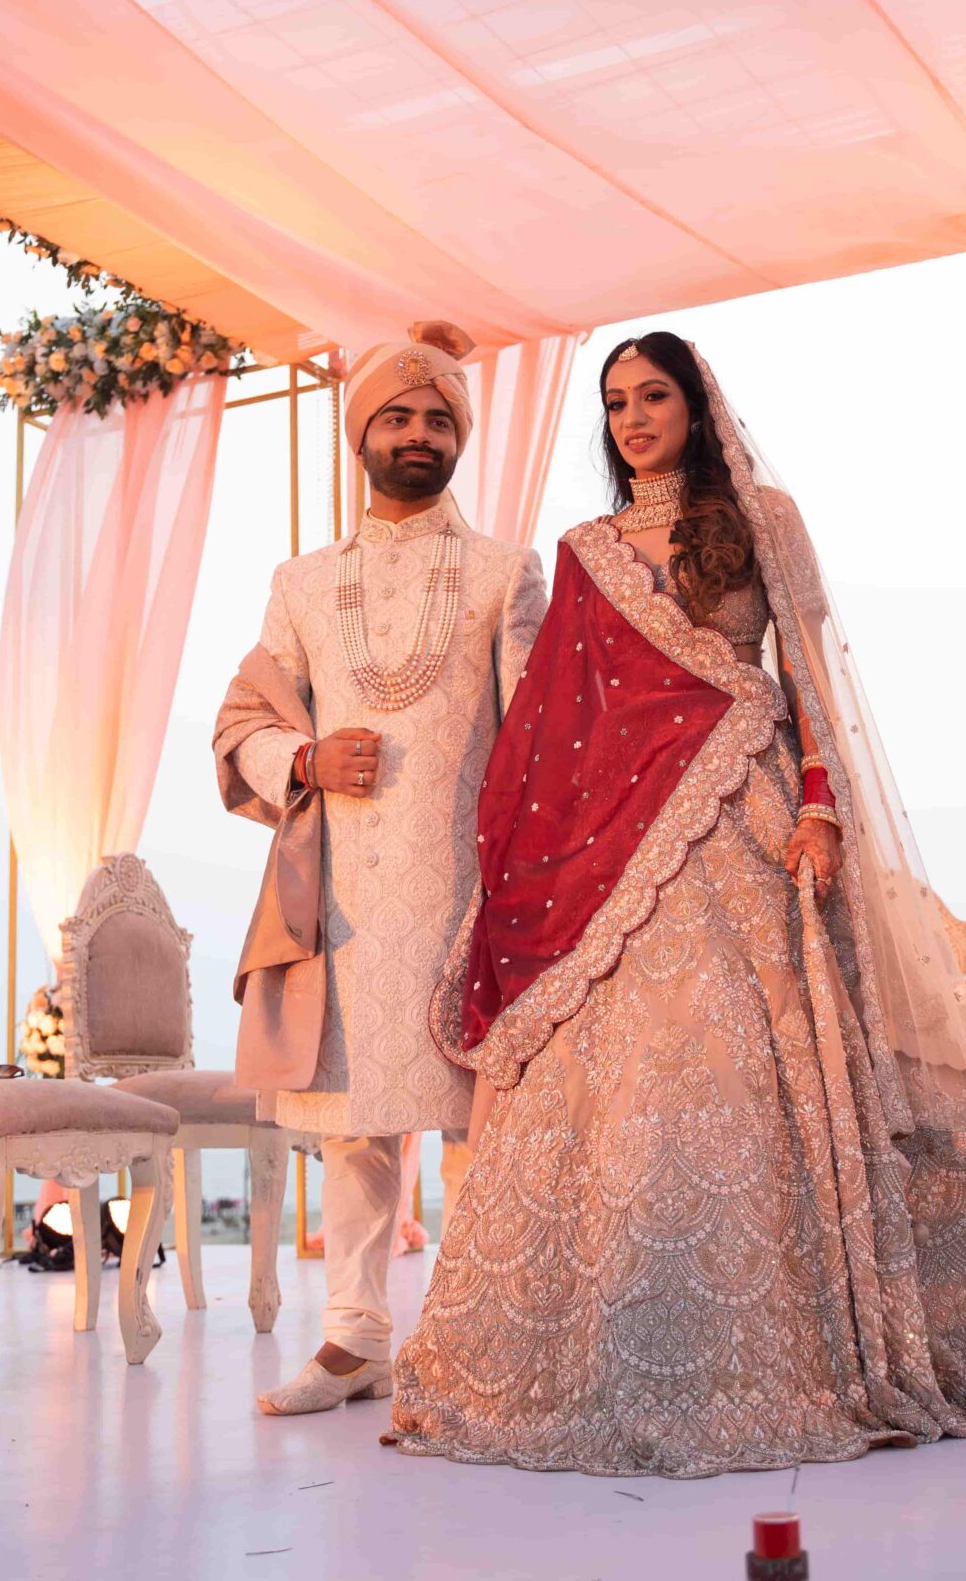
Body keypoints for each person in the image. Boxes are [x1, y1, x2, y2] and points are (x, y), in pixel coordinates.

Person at [388, 334, 966, 1477]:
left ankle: (813, 1350)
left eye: (654, 397)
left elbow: (809, 677)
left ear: (697, 405)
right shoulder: (583, 552)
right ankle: (612, 1355)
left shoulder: (762, 519)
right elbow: (552, 720)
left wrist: (819, 803)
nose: (633, 420)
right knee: (633, 1079)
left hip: (750, 815)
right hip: (616, 849)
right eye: (616, 402)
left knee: (753, 1059)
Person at [214, 321, 547, 1416]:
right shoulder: (303, 583)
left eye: (439, 419)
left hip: (470, 886)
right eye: (397, 417)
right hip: (344, 884)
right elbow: (244, 720)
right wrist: (305, 757)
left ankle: (473, 1340)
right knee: (357, 1116)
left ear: (461, 440)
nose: (418, 434)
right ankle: (354, 1338)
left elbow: (540, 738)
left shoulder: (507, 571)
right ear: (362, 434)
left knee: (477, 1117)